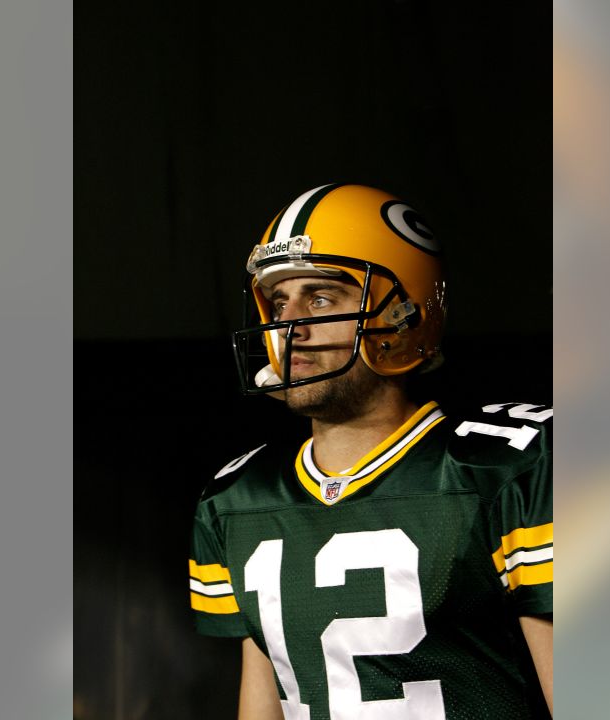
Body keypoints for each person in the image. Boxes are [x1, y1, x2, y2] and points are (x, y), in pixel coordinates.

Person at [188, 183, 553, 719]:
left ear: (402, 315)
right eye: (279, 301)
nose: (290, 327)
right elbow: (263, 700)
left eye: (320, 298)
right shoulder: (237, 499)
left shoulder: (506, 468)